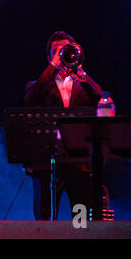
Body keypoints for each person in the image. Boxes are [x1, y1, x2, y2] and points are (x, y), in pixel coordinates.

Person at [24, 30, 103, 220]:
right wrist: (54, 66)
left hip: (79, 163)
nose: (61, 55)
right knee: (45, 220)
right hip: (47, 163)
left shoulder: (83, 83)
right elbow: (30, 100)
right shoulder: (37, 85)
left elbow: (101, 101)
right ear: (49, 57)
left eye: (65, 50)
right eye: (56, 51)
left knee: (81, 219)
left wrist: (81, 72)